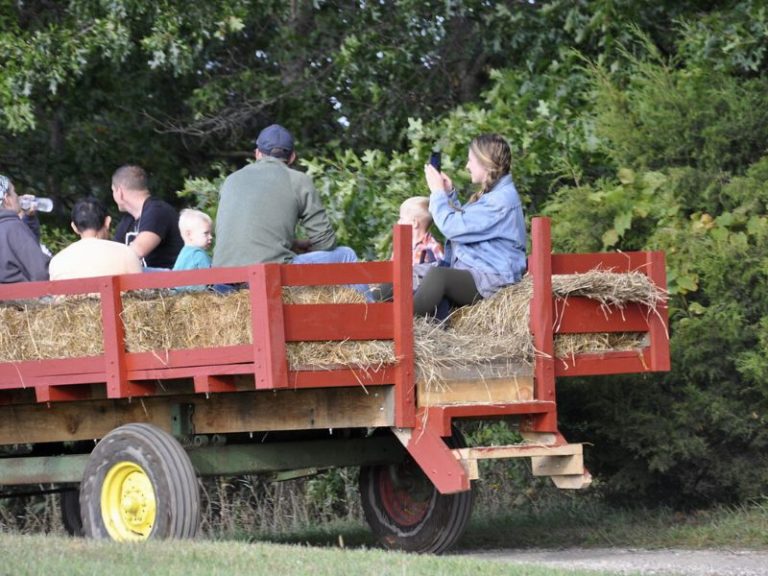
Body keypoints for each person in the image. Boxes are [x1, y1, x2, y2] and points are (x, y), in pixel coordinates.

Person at [212, 124, 357, 268]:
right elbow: (326, 243)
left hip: (223, 277)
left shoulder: (230, 180)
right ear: (292, 157)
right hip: (270, 273)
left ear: (257, 154)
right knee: (347, 255)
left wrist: (293, 244)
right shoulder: (298, 180)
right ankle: (372, 293)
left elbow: (248, 237)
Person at [413, 133, 527, 317]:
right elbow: (467, 226)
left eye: (470, 160)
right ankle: (368, 309)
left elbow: (452, 228)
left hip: (493, 279)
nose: (467, 166)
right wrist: (449, 194)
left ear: (486, 162)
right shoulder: (494, 196)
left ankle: (395, 326)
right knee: (408, 273)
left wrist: (437, 193)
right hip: (476, 270)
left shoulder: (501, 200)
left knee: (438, 277)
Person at [49, 197, 142, 281]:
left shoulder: (57, 261)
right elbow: (141, 293)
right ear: (107, 222)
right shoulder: (126, 253)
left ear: (74, 227)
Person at [112, 164, 184, 270]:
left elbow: (138, 250)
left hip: (169, 284)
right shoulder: (128, 220)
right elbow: (114, 254)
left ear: (119, 192)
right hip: (145, 284)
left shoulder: (158, 210)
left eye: (113, 191)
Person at [0, 174, 50, 283]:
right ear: (7, 199)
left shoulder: (8, 226)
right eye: (14, 192)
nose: (18, 197)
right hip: (19, 297)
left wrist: (29, 218)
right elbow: (39, 271)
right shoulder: (13, 227)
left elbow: (25, 248)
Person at [172, 208, 213, 292]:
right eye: (206, 233)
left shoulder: (183, 253)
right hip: (197, 296)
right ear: (189, 235)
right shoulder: (198, 254)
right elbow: (211, 278)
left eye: (210, 233)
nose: (211, 237)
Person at [397, 196, 444, 265]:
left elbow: (441, 272)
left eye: (402, 218)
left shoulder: (432, 248)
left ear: (414, 223)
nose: (398, 222)